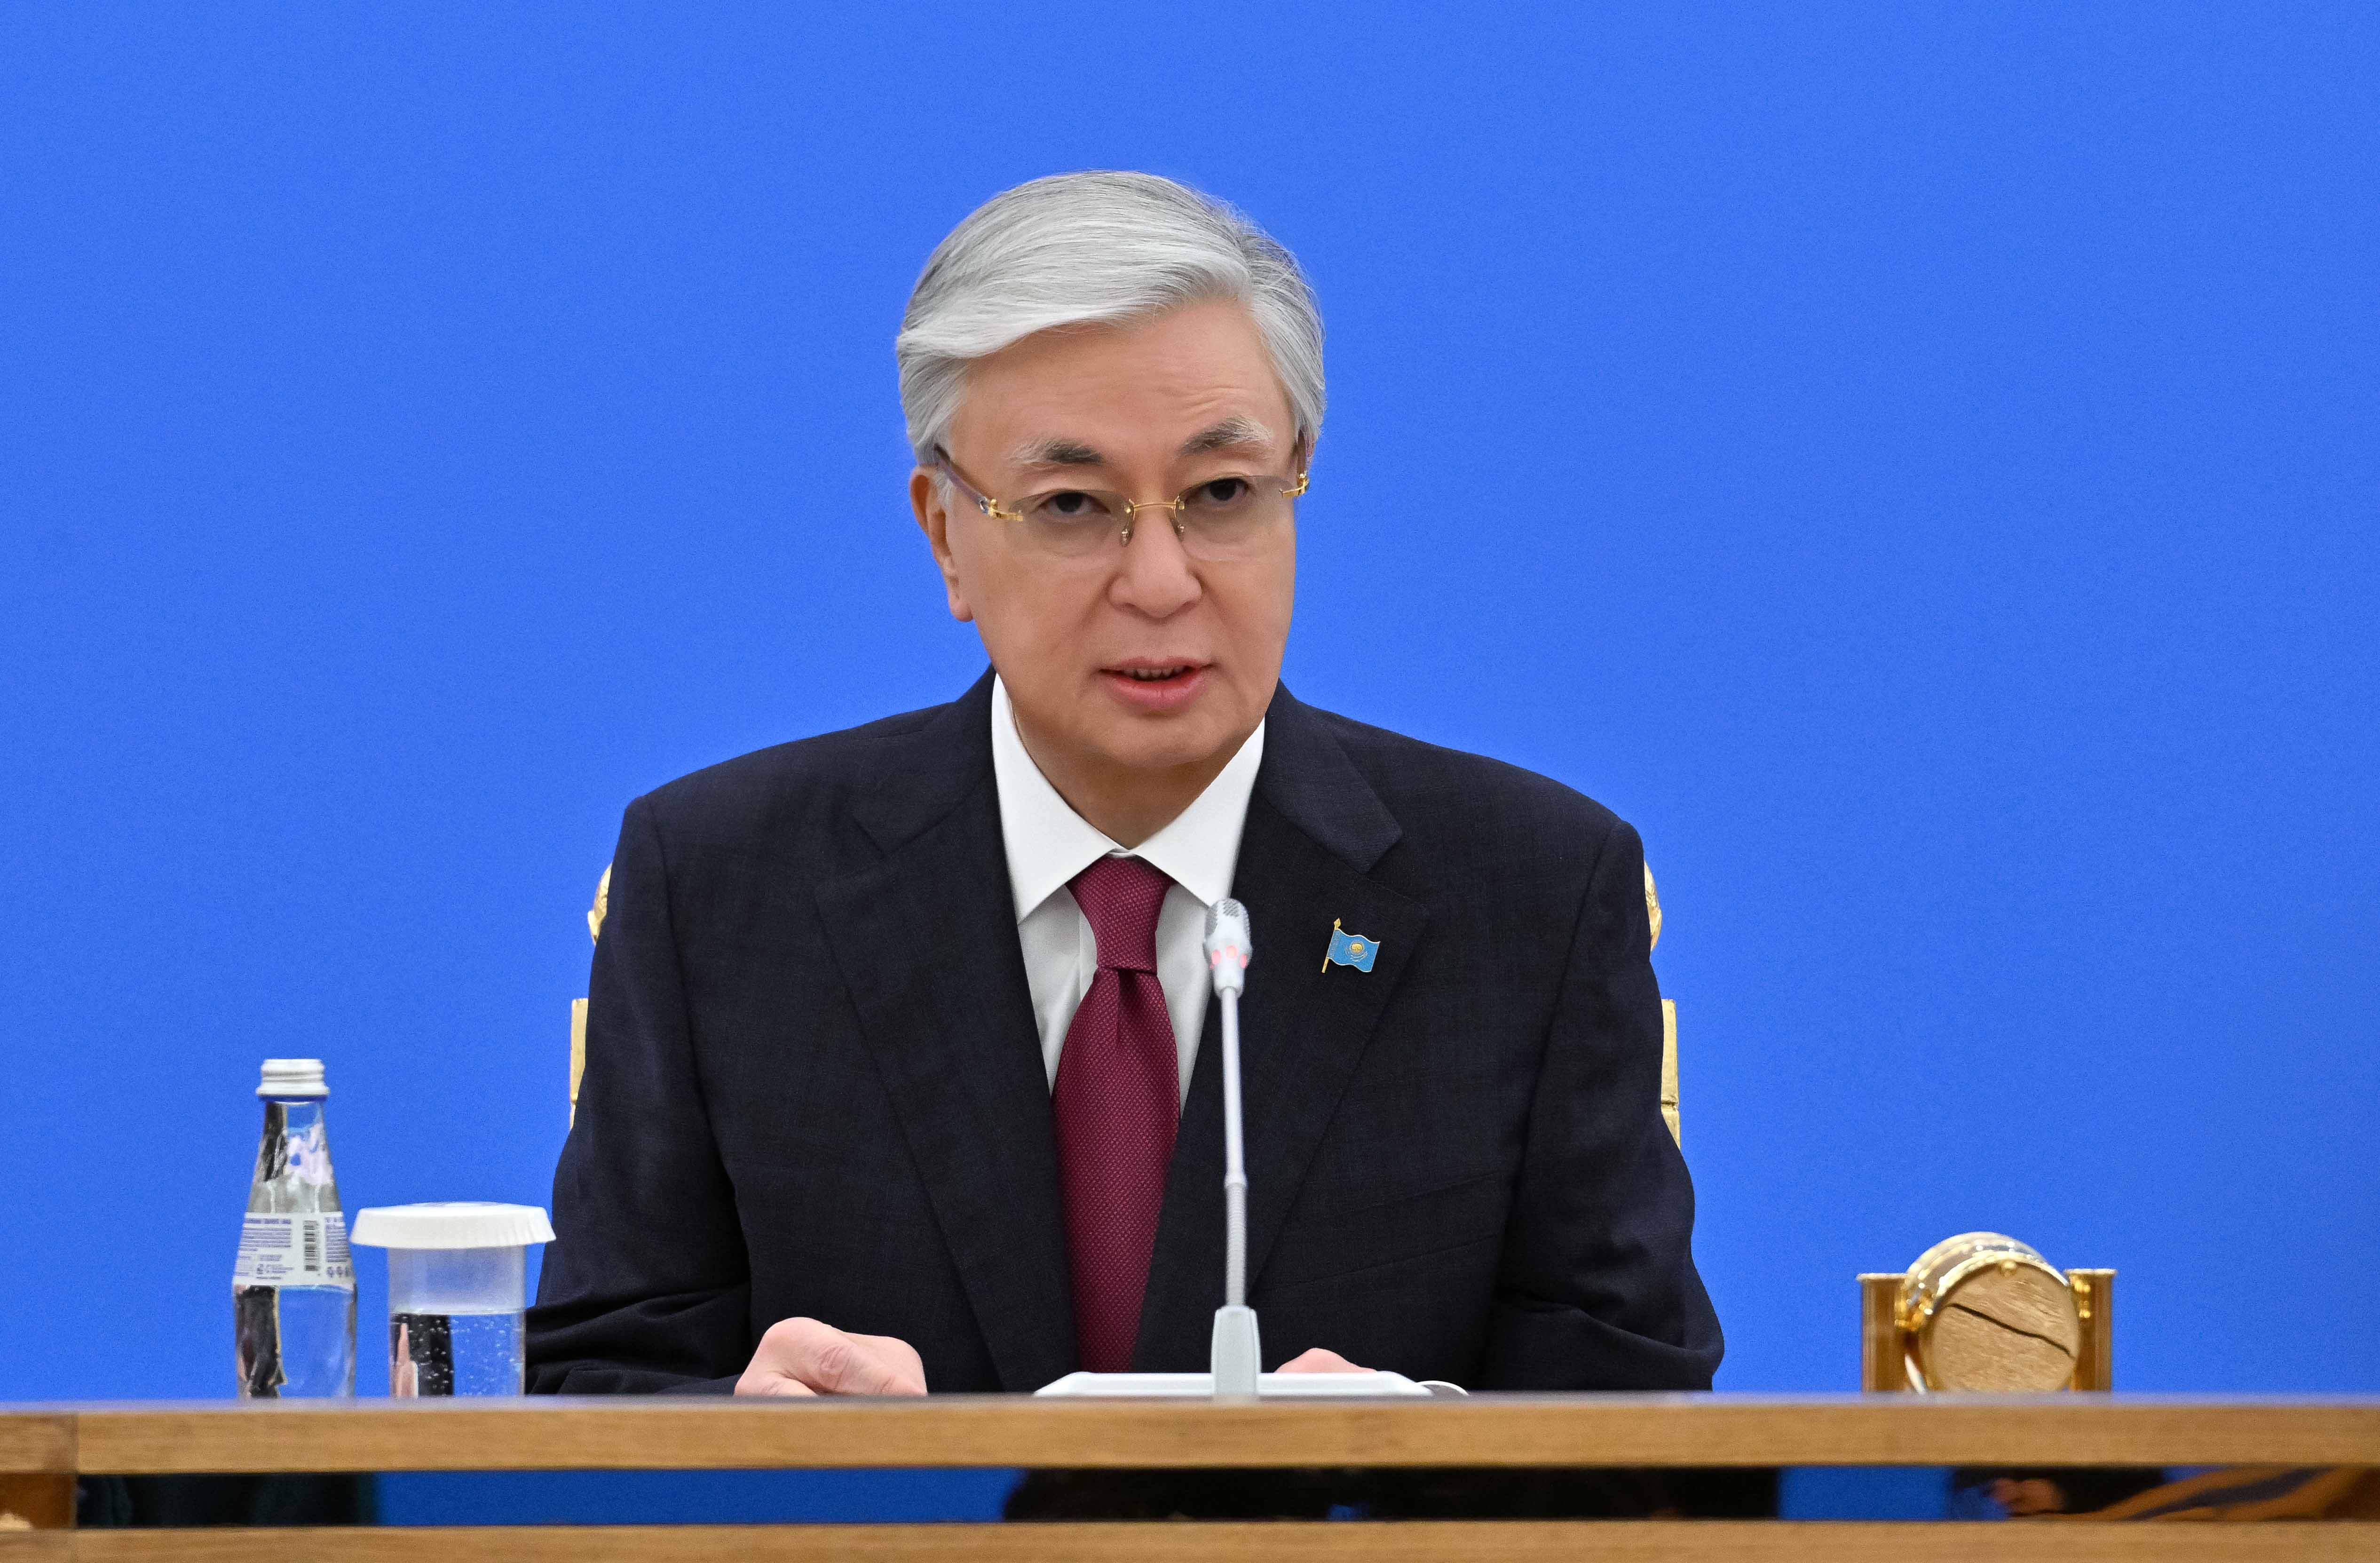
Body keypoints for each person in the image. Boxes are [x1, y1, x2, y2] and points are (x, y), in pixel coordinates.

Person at [527, 171, 1721, 1397]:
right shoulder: (723, 886)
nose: (1160, 582)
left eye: (1222, 495)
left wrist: (1414, 1454)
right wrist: (761, 1441)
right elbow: (596, 1380)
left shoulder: (1530, 893)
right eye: (1072, 505)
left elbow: (1640, 1417)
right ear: (945, 533)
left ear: (1295, 482)